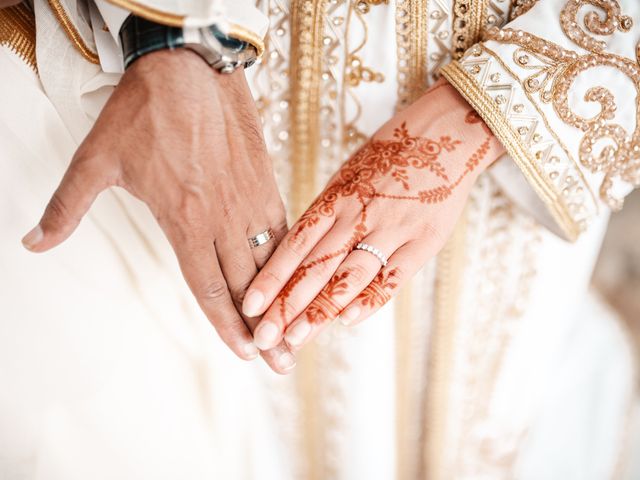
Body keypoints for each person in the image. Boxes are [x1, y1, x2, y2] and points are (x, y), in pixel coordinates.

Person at [0, 0, 637, 478]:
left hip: (516, 95)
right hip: (238, 74)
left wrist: (495, 109)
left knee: (486, 386)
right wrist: (172, 35)